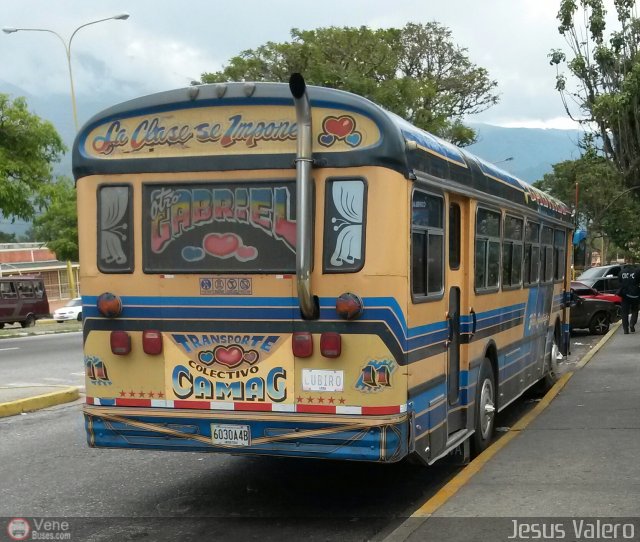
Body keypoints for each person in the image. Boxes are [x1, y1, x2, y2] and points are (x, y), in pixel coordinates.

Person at [618, 263, 640, 334]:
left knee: (624, 313)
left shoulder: (621, 272)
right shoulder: (636, 271)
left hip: (625, 294)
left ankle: (625, 329)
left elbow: (619, 282)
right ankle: (632, 324)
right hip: (635, 294)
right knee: (635, 310)